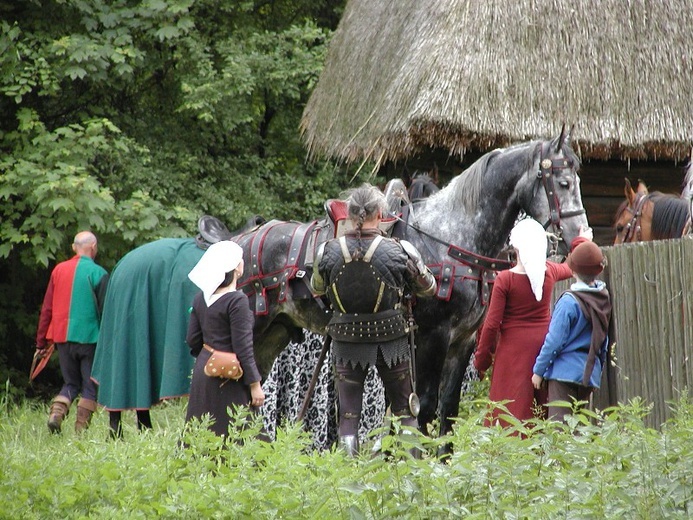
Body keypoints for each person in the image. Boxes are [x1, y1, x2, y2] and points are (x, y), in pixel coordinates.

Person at [310, 183, 437, 457]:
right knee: (405, 410)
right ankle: (413, 479)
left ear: (351, 213)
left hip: (346, 341)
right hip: (391, 340)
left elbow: (317, 288)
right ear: (380, 213)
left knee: (348, 416)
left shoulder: (327, 251)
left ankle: (348, 484)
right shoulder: (401, 250)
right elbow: (429, 288)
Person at [473, 218, 591, 427]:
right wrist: (581, 241)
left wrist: (481, 362)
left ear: (516, 246)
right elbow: (571, 266)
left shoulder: (505, 280)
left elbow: (491, 325)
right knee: (540, 413)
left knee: (509, 411)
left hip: (512, 354)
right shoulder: (549, 272)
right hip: (543, 350)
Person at [91, 238, 205, 438]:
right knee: (126, 346)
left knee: (134, 347)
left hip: (131, 274)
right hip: (133, 277)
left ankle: (138, 422)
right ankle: (115, 425)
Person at [184, 240, 265, 437]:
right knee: (242, 435)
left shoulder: (200, 298)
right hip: (229, 377)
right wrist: (255, 385)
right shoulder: (237, 301)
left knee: (202, 434)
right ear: (236, 267)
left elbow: (193, 339)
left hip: (204, 372)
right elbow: (243, 347)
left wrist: (208, 355)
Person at [35, 231, 108, 433]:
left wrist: (41, 342)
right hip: (90, 338)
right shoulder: (99, 273)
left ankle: (56, 414)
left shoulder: (58, 270)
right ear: (93, 247)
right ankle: (81, 433)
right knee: (89, 385)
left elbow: (47, 308)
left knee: (70, 382)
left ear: (74, 247)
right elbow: (105, 312)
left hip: (62, 337)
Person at [531, 241, 612, 422]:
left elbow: (554, 341)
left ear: (572, 271)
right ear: (598, 271)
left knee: (560, 432)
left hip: (563, 375)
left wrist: (538, 371)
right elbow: (602, 340)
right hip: (588, 374)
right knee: (580, 430)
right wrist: (596, 371)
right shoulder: (603, 299)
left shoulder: (569, 302)